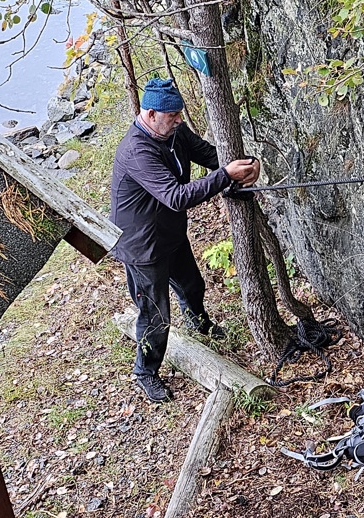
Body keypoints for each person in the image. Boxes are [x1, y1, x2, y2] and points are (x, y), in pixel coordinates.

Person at [110, 77, 260, 402]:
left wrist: (245, 163)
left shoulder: (175, 132)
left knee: (192, 286)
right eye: (172, 116)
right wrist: (226, 176)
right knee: (155, 315)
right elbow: (176, 197)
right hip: (142, 249)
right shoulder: (137, 151)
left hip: (170, 235)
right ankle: (145, 372)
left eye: (179, 114)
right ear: (151, 114)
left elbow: (207, 153)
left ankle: (198, 323)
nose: (179, 120)